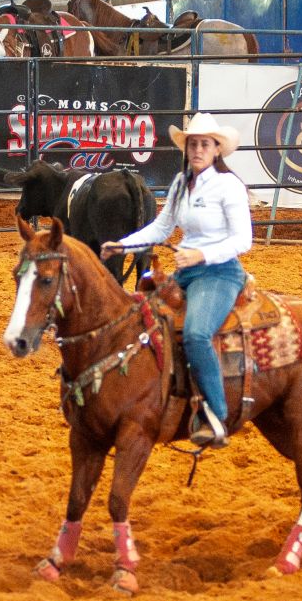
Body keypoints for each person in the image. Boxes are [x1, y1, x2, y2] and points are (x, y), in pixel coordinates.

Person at [101, 112, 252, 449]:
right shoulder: (182, 183)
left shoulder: (229, 186)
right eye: (193, 144)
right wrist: (123, 244)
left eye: (204, 144)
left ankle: (217, 414)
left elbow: (244, 240)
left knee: (197, 334)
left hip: (219, 272)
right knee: (141, 320)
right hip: (186, 274)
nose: (198, 149)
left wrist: (200, 255)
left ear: (217, 150)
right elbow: (162, 228)